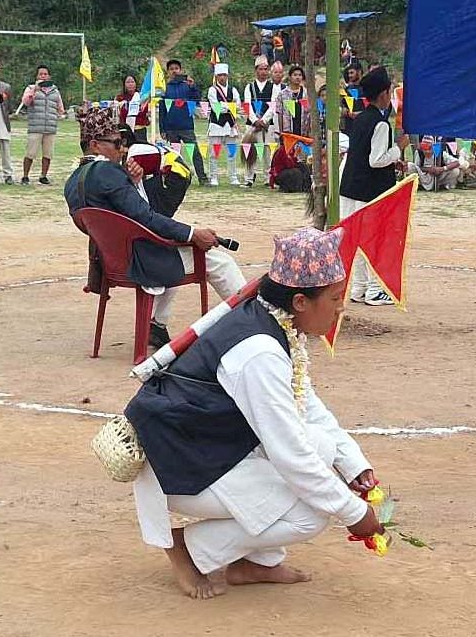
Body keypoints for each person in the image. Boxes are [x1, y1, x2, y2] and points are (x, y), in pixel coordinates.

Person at [125, 226, 381, 599]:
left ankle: (254, 563)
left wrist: (354, 465)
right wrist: (354, 514)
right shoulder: (259, 353)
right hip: (178, 467)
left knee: (322, 447)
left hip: (208, 448)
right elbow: (289, 453)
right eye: (335, 298)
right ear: (300, 302)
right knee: (310, 514)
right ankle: (191, 550)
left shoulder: (276, 323)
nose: (342, 308)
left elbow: (307, 406)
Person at [66, 107, 243, 345]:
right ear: (96, 145)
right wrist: (193, 234)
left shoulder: (72, 181)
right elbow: (146, 217)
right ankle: (253, 318)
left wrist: (136, 183)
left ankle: (156, 324)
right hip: (140, 260)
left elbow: (128, 218)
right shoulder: (107, 172)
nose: (123, 149)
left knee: (175, 251)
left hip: (110, 261)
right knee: (221, 262)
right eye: (117, 143)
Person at [338, 66, 405, 306]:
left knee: (356, 239)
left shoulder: (361, 119)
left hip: (350, 188)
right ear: (385, 94)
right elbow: (376, 160)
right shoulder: (380, 123)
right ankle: (375, 290)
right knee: (374, 239)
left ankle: (360, 287)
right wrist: (399, 148)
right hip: (370, 192)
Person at [270, 65, 313, 188]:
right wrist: (282, 132)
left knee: (302, 158)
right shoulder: (282, 94)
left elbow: (310, 113)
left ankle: (304, 182)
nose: (297, 77)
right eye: (295, 75)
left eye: (300, 75)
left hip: (303, 130)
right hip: (288, 132)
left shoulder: (306, 93)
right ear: (289, 77)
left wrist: (309, 130)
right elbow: (279, 114)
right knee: (289, 157)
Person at [20, 64, 64, 186]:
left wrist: (60, 114)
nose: (43, 76)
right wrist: (35, 90)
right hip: (35, 126)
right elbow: (26, 102)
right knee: (30, 153)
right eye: (41, 74)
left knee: (48, 154)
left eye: (45, 74)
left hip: (50, 127)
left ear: (49, 76)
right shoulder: (31, 88)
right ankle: (25, 176)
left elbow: (60, 107)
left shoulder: (55, 90)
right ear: (37, 76)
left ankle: (43, 176)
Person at [162, 59, 203, 175]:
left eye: (176, 68)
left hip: (186, 126)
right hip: (170, 127)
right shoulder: (165, 88)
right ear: (168, 72)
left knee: (195, 152)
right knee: (173, 155)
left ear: (180, 70)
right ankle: (176, 177)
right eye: (171, 69)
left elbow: (197, 99)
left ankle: (202, 177)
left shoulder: (187, 86)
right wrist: (162, 129)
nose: (174, 71)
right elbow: (162, 109)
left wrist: (193, 86)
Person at [239, 58, 276, 188]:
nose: (264, 72)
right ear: (256, 70)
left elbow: (273, 106)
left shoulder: (273, 87)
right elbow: (247, 105)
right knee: (250, 151)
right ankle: (248, 178)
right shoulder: (249, 87)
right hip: (252, 125)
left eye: (266, 69)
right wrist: (255, 121)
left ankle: (268, 178)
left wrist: (264, 121)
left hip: (267, 125)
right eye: (261, 69)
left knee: (267, 152)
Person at [204, 62, 242, 187]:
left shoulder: (233, 90)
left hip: (230, 126)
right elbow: (216, 108)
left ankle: (233, 176)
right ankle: (213, 177)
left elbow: (238, 105)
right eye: (220, 75)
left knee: (232, 153)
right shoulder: (212, 90)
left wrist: (228, 106)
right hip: (216, 126)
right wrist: (229, 106)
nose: (222, 78)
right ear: (216, 76)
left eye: (224, 75)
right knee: (214, 154)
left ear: (227, 76)